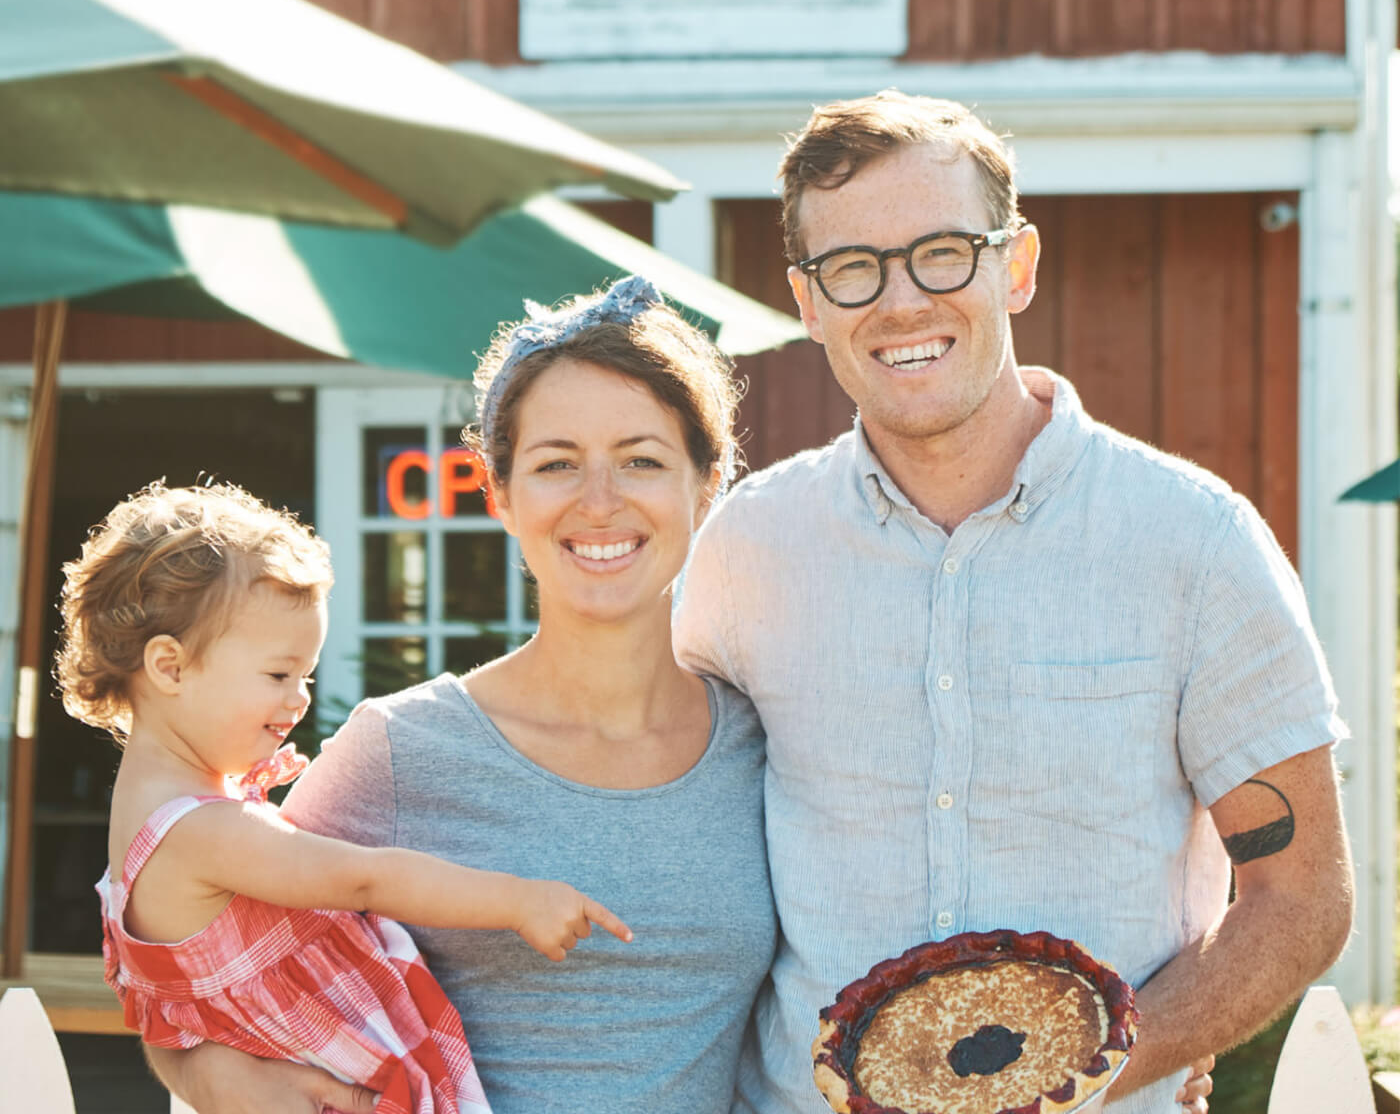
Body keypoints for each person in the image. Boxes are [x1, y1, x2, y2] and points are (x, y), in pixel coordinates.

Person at [673, 91, 1354, 1114]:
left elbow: (1300, 900)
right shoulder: (742, 549)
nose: (899, 302)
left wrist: (1106, 1064)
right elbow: (658, 832)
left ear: (1016, 265)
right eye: (851, 267)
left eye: (941, 251)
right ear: (808, 303)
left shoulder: (1195, 542)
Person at [141, 276, 778, 1114]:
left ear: (708, 484)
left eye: (642, 460)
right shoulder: (401, 750)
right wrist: (203, 1075)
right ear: (501, 494)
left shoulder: (762, 745)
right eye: (557, 464)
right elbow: (194, 967)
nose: (600, 501)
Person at [63, 481, 633, 1114]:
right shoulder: (201, 834)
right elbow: (365, 880)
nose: (301, 696)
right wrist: (520, 900)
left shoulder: (148, 819)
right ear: (169, 667)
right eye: (279, 674)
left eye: (304, 675)